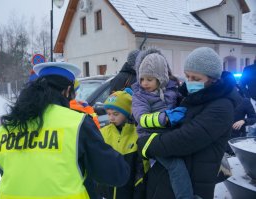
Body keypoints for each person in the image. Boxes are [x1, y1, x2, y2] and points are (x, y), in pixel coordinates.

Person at [0, 62, 130, 199]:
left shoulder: (4, 129)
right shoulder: (77, 124)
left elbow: (8, 173)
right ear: (68, 90)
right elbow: (117, 174)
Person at [137, 47, 241, 199]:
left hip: (193, 184)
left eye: (196, 79)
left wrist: (148, 144)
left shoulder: (222, 106)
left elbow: (186, 138)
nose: (190, 82)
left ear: (213, 79)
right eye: (187, 76)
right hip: (171, 180)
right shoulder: (194, 98)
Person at [132, 51, 192, 199]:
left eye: (149, 79)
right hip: (150, 137)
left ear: (161, 79)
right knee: (175, 165)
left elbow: (183, 101)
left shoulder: (171, 90)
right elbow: (141, 118)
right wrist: (165, 118)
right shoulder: (140, 96)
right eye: (142, 79)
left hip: (167, 135)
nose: (144, 83)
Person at [98, 88, 147, 199]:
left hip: (128, 192)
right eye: (109, 114)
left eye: (116, 114)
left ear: (127, 113)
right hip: (106, 193)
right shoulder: (103, 133)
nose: (111, 118)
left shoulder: (137, 134)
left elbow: (141, 169)